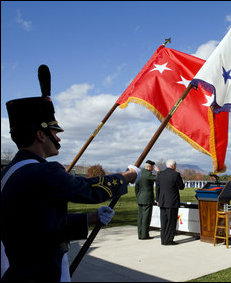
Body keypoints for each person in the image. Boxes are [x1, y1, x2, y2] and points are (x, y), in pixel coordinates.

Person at [0, 65, 140, 282]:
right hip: (42, 273)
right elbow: (89, 190)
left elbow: (40, 226)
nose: (59, 139)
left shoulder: (10, 172)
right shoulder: (43, 171)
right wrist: (127, 176)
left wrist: (91, 218)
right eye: (55, 132)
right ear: (40, 135)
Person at [155, 159, 185, 245]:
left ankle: (163, 239)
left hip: (162, 201)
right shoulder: (176, 174)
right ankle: (169, 240)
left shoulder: (160, 174)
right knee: (171, 222)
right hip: (172, 202)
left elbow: (157, 188)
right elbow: (181, 187)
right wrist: (183, 183)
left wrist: (158, 200)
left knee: (163, 222)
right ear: (173, 166)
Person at [135, 160, 159, 240]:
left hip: (140, 198)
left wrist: (138, 196)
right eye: (152, 167)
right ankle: (145, 235)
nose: (153, 168)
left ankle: (140, 234)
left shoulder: (140, 174)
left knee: (140, 217)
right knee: (146, 217)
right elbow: (158, 178)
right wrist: (158, 172)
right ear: (150, 167)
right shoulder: (148, 174)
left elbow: (136, 188)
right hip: (147, 199)